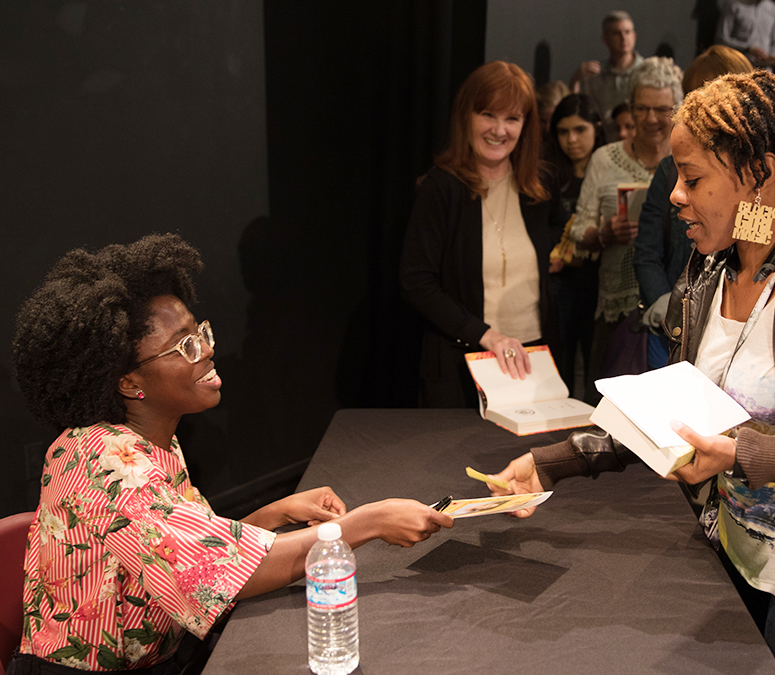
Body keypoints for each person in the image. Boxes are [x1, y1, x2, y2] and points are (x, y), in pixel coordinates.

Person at [487, 71, 775, 673]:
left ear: (760, 175)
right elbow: (672, 413)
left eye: (693, 179)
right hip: (743, 549)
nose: (673, 195)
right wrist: (551, 463)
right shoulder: (710, 272)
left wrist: (750, 455)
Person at [9, 234, 453, 674]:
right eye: (185, 345)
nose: (208, 350)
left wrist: (272, 512)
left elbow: (185, 552)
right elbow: (216, 576)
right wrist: (368, 523)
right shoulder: (108, 467)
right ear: (127, 382)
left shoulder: (142, 438)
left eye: (200, 333)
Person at [400, 61, 568, 408]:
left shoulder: (539, 186)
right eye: (488, 114)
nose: (499, 129)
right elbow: (417, 281)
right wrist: (487, 336)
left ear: (526, 125)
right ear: (466, 117)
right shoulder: (441, 188)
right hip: (462, 362)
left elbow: (558, 230)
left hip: (534, 360)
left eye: (512, 118)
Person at [633, 45, 753, 370]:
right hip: (677, 321)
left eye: (694, 181)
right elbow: (647, 250)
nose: (678, 196)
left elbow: (758, 250)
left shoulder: (765, 178)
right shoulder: (668, 170)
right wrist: (667, 304)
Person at [570, 56, 682, 399]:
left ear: (677, 109)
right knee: (607, 410)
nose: (650, 119)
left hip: (674, 312)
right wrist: (604, 234)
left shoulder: (688, 162)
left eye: (661, 109)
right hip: (618, 307)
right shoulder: (605, 159)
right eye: (641, 108)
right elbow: (578, 231)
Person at [545, 94, 606, 399]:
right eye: (563, 131)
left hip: (599, 281)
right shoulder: (549, 175)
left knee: (598, 367)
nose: (572, 140)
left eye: (580, 130)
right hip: (561, 285)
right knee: (561, 362)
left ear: (597, 127)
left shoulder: (607, 171)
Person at [569, 10, 646, 142]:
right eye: (617, 33)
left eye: (627, 32)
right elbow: (577, 110)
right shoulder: (595, 75)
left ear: (634, 36)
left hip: (641, 144)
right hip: (607, 145)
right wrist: (576, 79)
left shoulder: (647, 71)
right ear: (605, 38)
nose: (623, 38)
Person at [716, 0, 775, 68]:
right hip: (738, 68)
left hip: (765, 71)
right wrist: (747, 49)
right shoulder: (733, 5)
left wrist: (773, 57)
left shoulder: (773, 8)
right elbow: (721, 40)